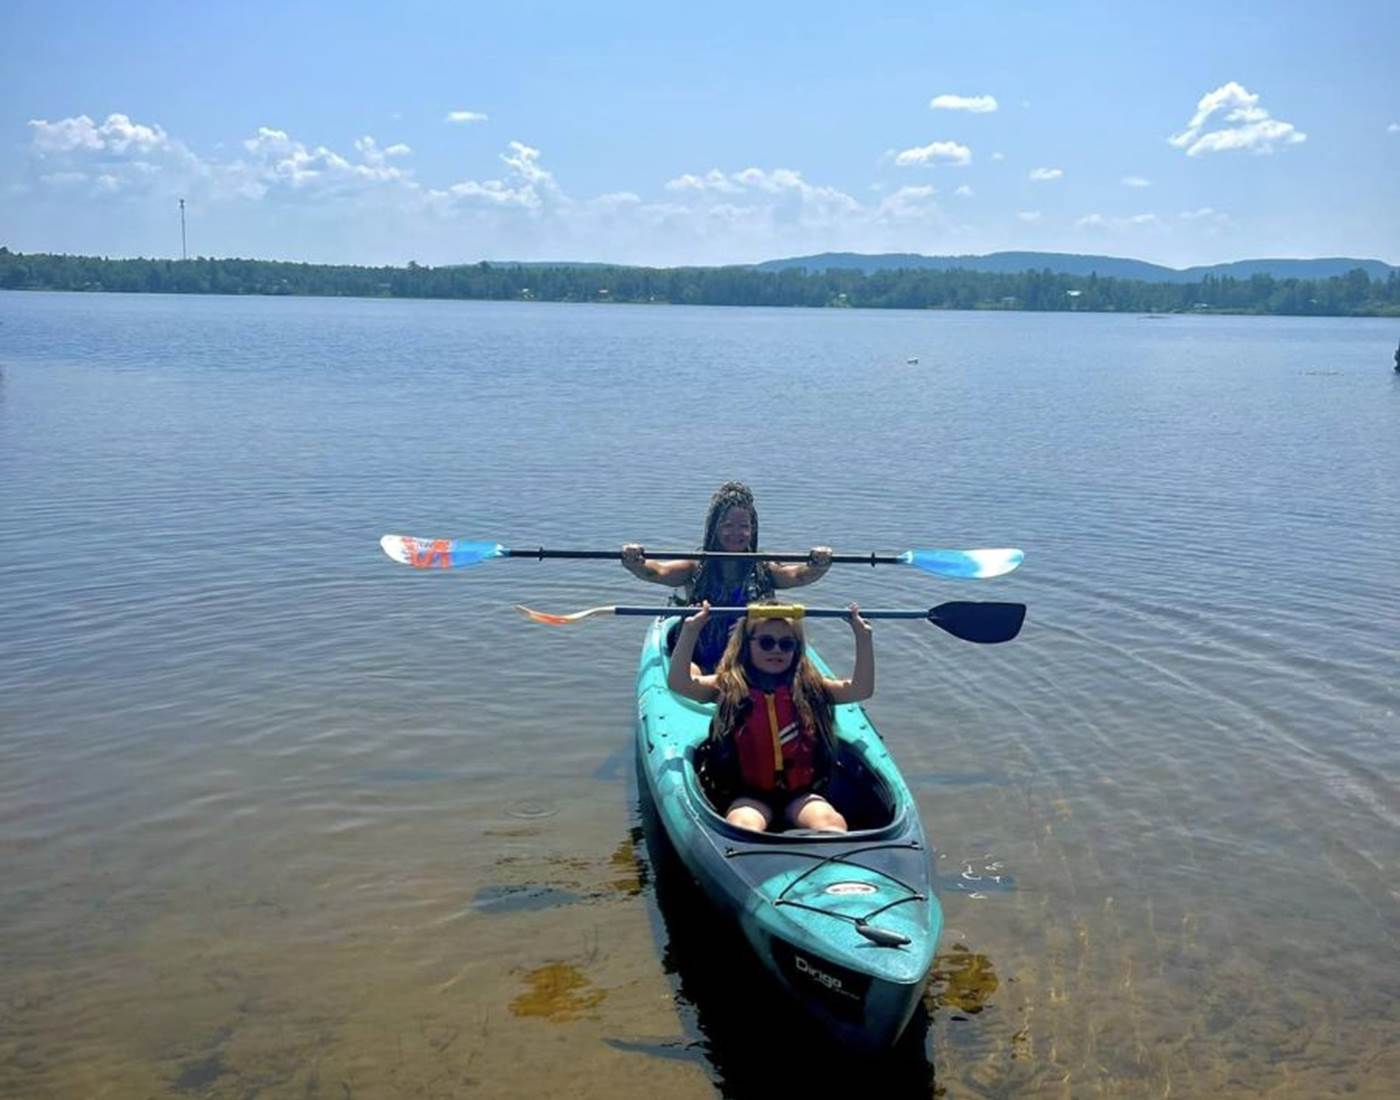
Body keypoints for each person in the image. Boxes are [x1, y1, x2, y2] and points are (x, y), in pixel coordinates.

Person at [667, 600, 874, 834]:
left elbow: (861, 689)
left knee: (831, 823)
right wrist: (691, 630)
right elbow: (680, 683)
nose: (776, 650)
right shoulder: (729, 685)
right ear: (747, 645)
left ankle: (830, 861)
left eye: (786, 645)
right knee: (745, 826)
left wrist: (863, 638)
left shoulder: (810, 687)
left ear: (796, 649)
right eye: (766, 643)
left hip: (801, 794)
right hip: (747, 795)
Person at [621, 481, 832, 672]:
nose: (736, 533)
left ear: (752, 530)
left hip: (751, 659)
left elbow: (798, 576)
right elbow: (657, 572)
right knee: (691, 669)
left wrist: (819, 564)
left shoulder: (764, 569)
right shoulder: (696, 567)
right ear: (715, 528)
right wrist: (635, 561)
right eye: (728, 526)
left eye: (743, 527)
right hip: (702, 660)